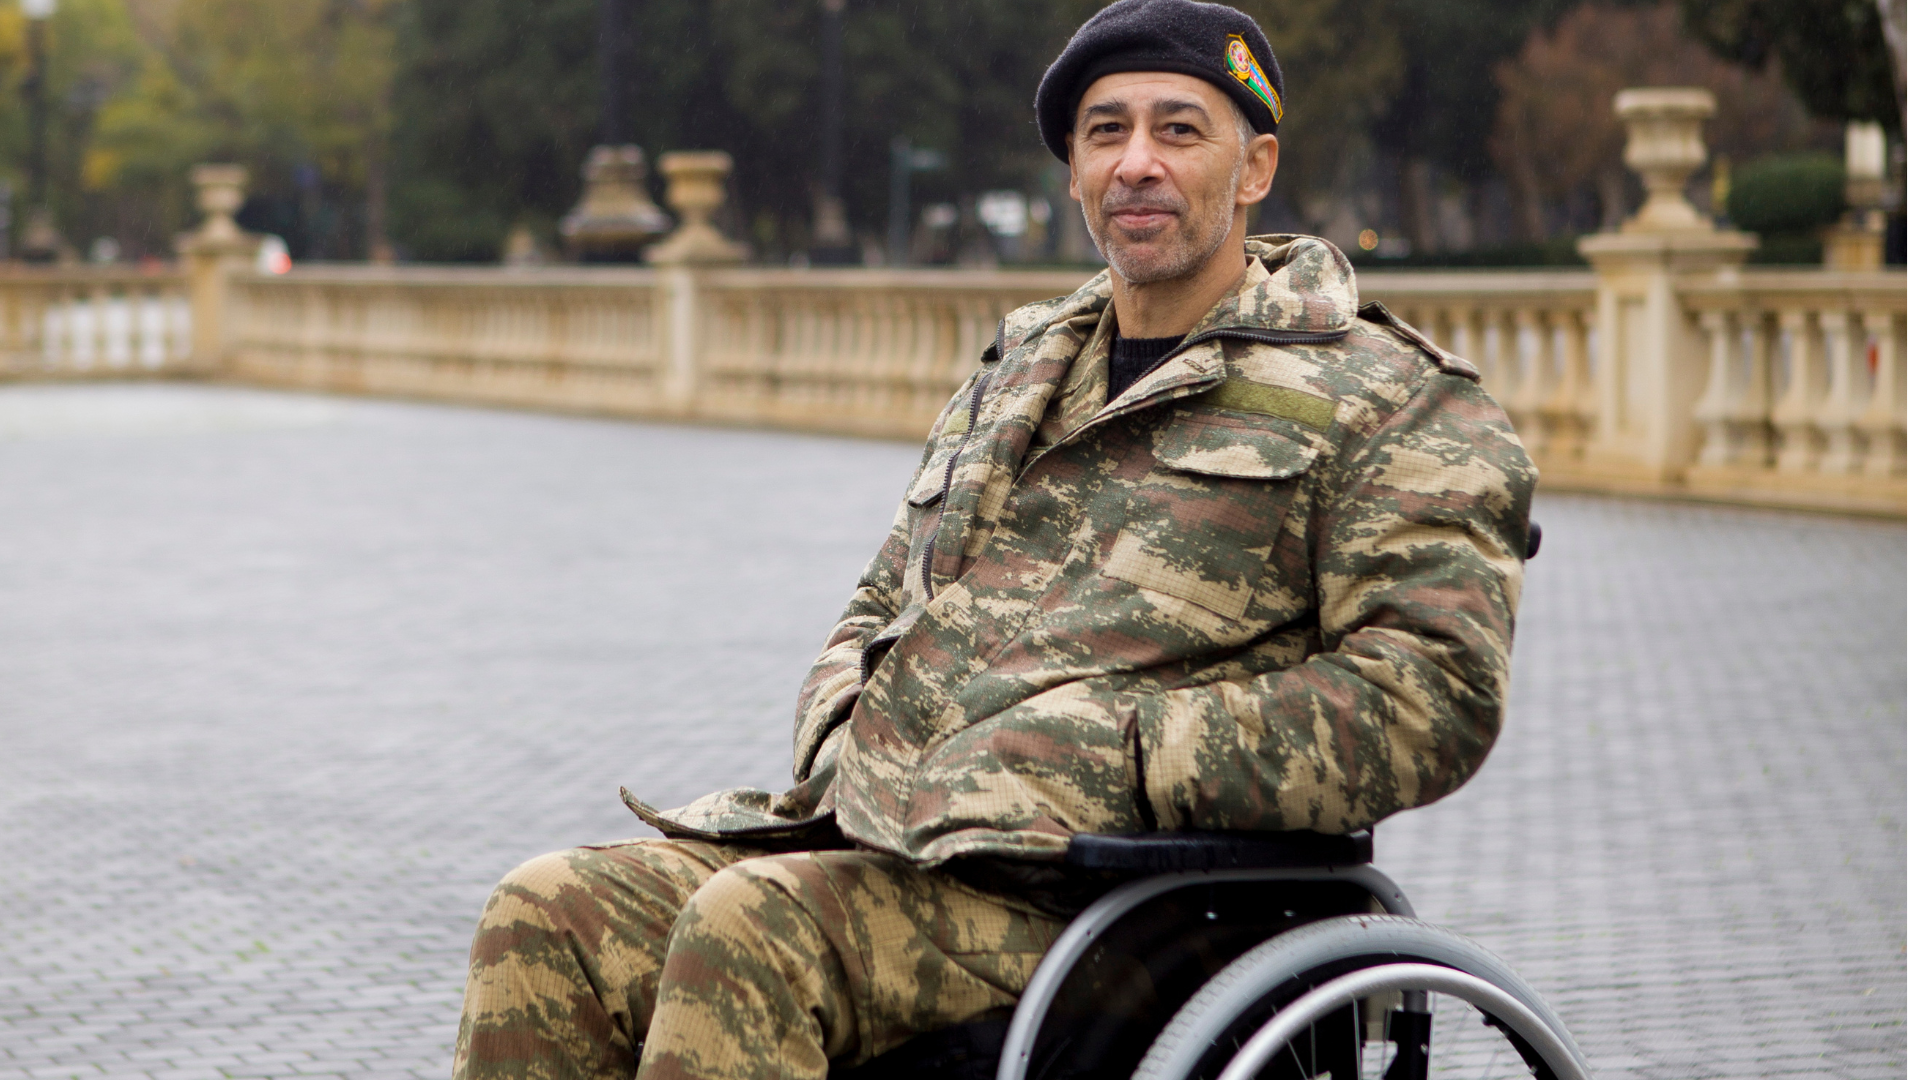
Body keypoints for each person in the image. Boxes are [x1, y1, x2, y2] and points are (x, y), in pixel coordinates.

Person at [452, 2, 1537, 1078]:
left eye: (1178, 130)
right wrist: (851, 732)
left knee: (754, 933)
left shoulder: (1386, 400)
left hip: (1133, 901)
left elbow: (1432, 695)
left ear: (1254, 168)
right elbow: (878, 605)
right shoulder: (1018, 371)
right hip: (901, 846)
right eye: (1105, 133)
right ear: (1074, 171)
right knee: (547, 910)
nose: (1137, 164)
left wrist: (1126, 754)